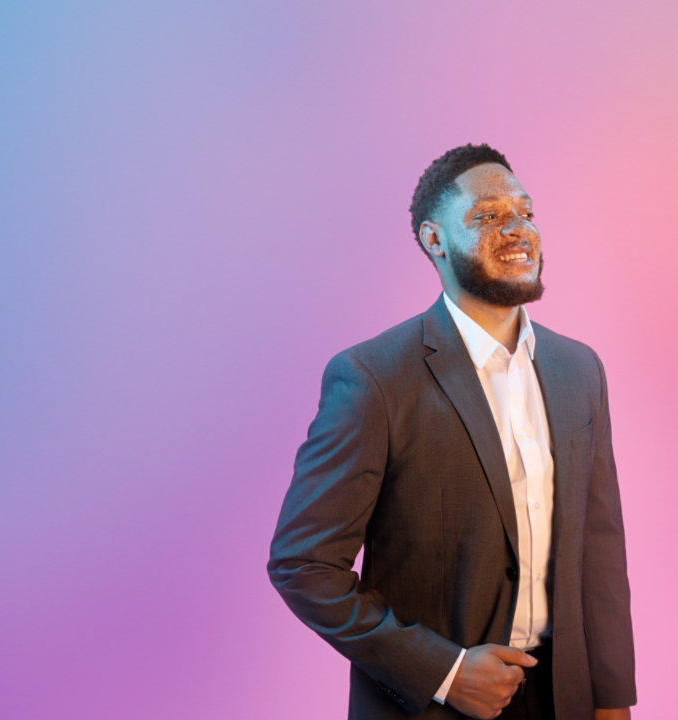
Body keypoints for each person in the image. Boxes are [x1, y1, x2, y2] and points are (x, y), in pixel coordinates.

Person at [267, 144, 635, 720]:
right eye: (487, 216)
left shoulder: (579, 369)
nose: (517, 229)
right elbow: (302, 563)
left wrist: (612, 701)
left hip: (566, 698)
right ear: (434, 241)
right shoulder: (372, 378)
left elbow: (600, 552)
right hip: (434, 705)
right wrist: (445, 672)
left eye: (525, 212)